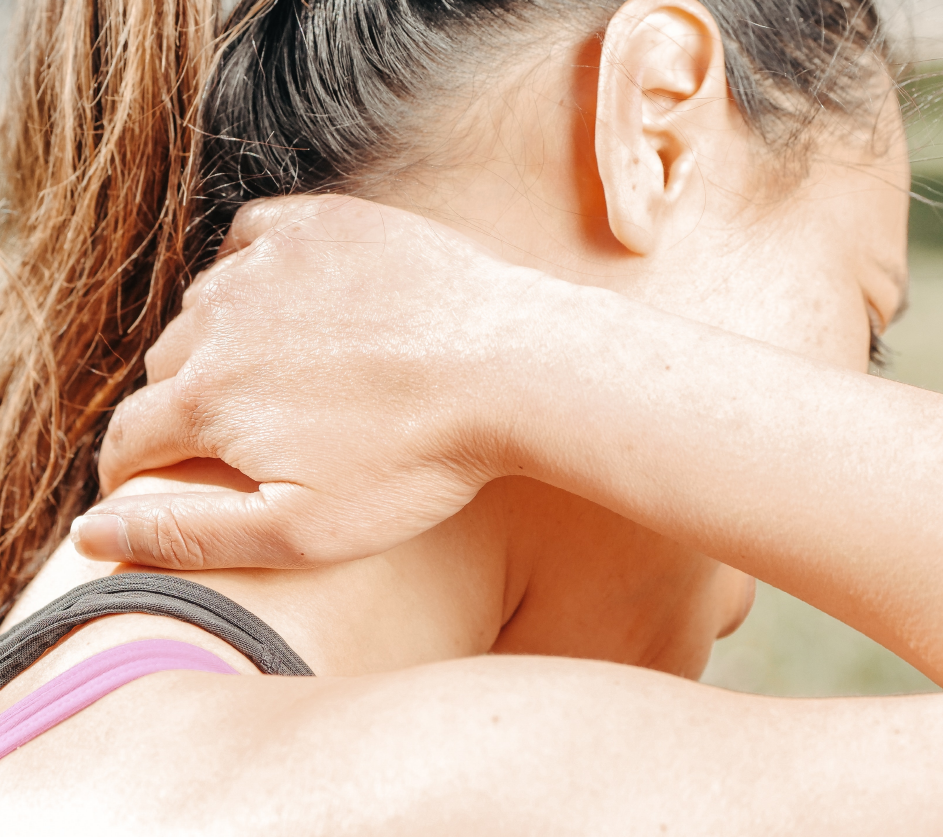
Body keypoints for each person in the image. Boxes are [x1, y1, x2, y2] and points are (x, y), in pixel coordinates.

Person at [1, 0, 943, 832]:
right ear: (656, 130)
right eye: (864, 324)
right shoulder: (493, 785)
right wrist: (512, 349)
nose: (746, 602)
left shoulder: (71, 713)